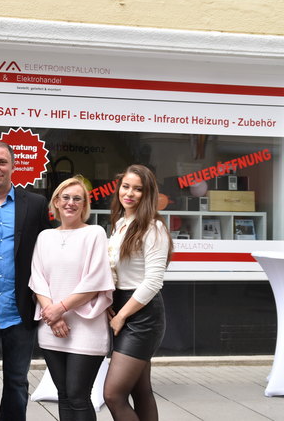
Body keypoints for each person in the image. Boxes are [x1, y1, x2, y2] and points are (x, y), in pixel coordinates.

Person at [0, 141, 50, 421]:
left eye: (2, 162)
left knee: (17, 383)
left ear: (14, 166)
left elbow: (47, 254)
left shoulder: (36, 204)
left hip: (19, 311)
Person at [29, 177, 114, 421]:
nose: (71, 203)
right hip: (51, 328)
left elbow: (95, 281)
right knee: (63, 395)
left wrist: (61, 309)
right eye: (65, 197)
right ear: (55, 202)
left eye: (77, 198)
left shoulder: (94, 233)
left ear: (85, 204)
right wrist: (53, 316)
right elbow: (38, 279)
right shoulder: (44, 236)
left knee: (78, 396)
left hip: (86, 327)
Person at [103, 164, 173, 421]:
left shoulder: (153, 228)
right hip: (123, 306)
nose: (130, 193)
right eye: (126, 186)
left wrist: (121, 316)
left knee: (112, 395)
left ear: (148, 194)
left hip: (142, 315)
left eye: (138, 189)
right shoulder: (121, 223)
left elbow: (154, 281)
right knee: (141, 390)